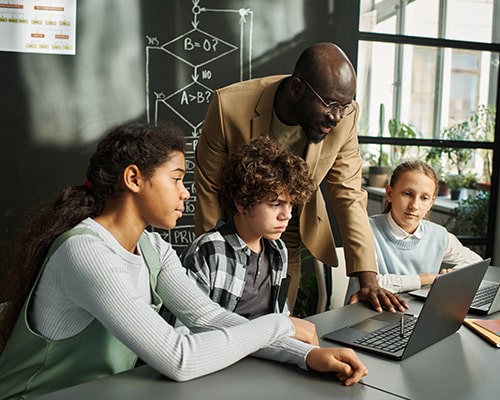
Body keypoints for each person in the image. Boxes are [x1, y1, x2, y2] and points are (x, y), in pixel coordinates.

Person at [0, 122, 367, 399]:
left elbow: (208, 317)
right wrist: (280, 325)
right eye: (176, 179)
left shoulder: (152, 248)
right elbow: (179, 358)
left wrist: (304, 355)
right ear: (134, 179)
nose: (185, 192)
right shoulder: (86, 253)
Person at [194, 42, 407, 313]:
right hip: (236, 223)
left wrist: (368, 280)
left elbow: (349, 195)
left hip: (289, 230)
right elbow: (210, 191)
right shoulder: (229, 106)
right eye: (330, 104)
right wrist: (217, 257)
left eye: (344, 106)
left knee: (279, 317)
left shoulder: (345, 117)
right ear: (297, 88)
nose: (337, 117)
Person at [181, 137, 315, 319]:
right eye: (275, 204)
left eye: (291, 206)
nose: (287, 215)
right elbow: (187, 327)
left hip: (270, 346)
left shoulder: (278, 250)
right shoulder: (208, 251)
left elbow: (280, 316)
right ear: (243, 204)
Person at [347, 160, 482, 296]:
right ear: (389, 193)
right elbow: (371, 284)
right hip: (367, 312)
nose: (414, 206)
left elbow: (475, 262)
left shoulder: (438, 235)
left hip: (415, 313)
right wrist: (426, 278)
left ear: (431, 202)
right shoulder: (366, 231)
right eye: (407, 194)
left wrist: (452, 275)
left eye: (424, 198)